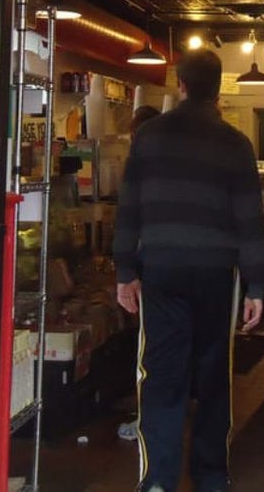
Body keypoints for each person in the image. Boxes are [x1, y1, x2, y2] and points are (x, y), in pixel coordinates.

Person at [113, 50, 264, 492]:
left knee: (161, 374)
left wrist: (125, 270)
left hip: (161, 269)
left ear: (179, 85)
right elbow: (248, 221)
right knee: (214, 374)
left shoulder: (149, 137)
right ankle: (211, 477)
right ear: (218, 89)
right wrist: (256, 284)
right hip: (217, 273)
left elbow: (130, 209)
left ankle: (159, 479)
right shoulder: (236, 144)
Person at [117, 104, 161, 443]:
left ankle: (149, 419)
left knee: (152, 349)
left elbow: (130, 219)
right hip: (164, 266)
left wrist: (126, 272)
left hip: (152, 268)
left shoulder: (143, 168)